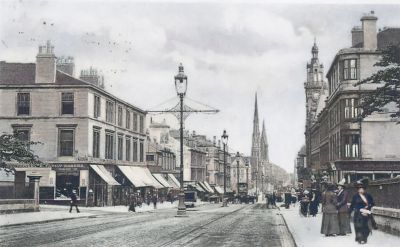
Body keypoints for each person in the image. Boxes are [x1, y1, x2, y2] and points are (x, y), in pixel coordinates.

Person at [349, 179, 375, 244]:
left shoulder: (368, 195)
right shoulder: (355, 196)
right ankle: (360, 239)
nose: (361, 190)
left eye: (362, 189)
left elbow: (372, 203)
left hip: (366, 213)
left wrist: (368, 206)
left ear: (364, 189)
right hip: (358, 214)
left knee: (366, 227)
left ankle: (365, 238)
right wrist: (349, 212)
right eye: (359, 189)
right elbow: (352, 205)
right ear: (358, 189)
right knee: (358, 227)